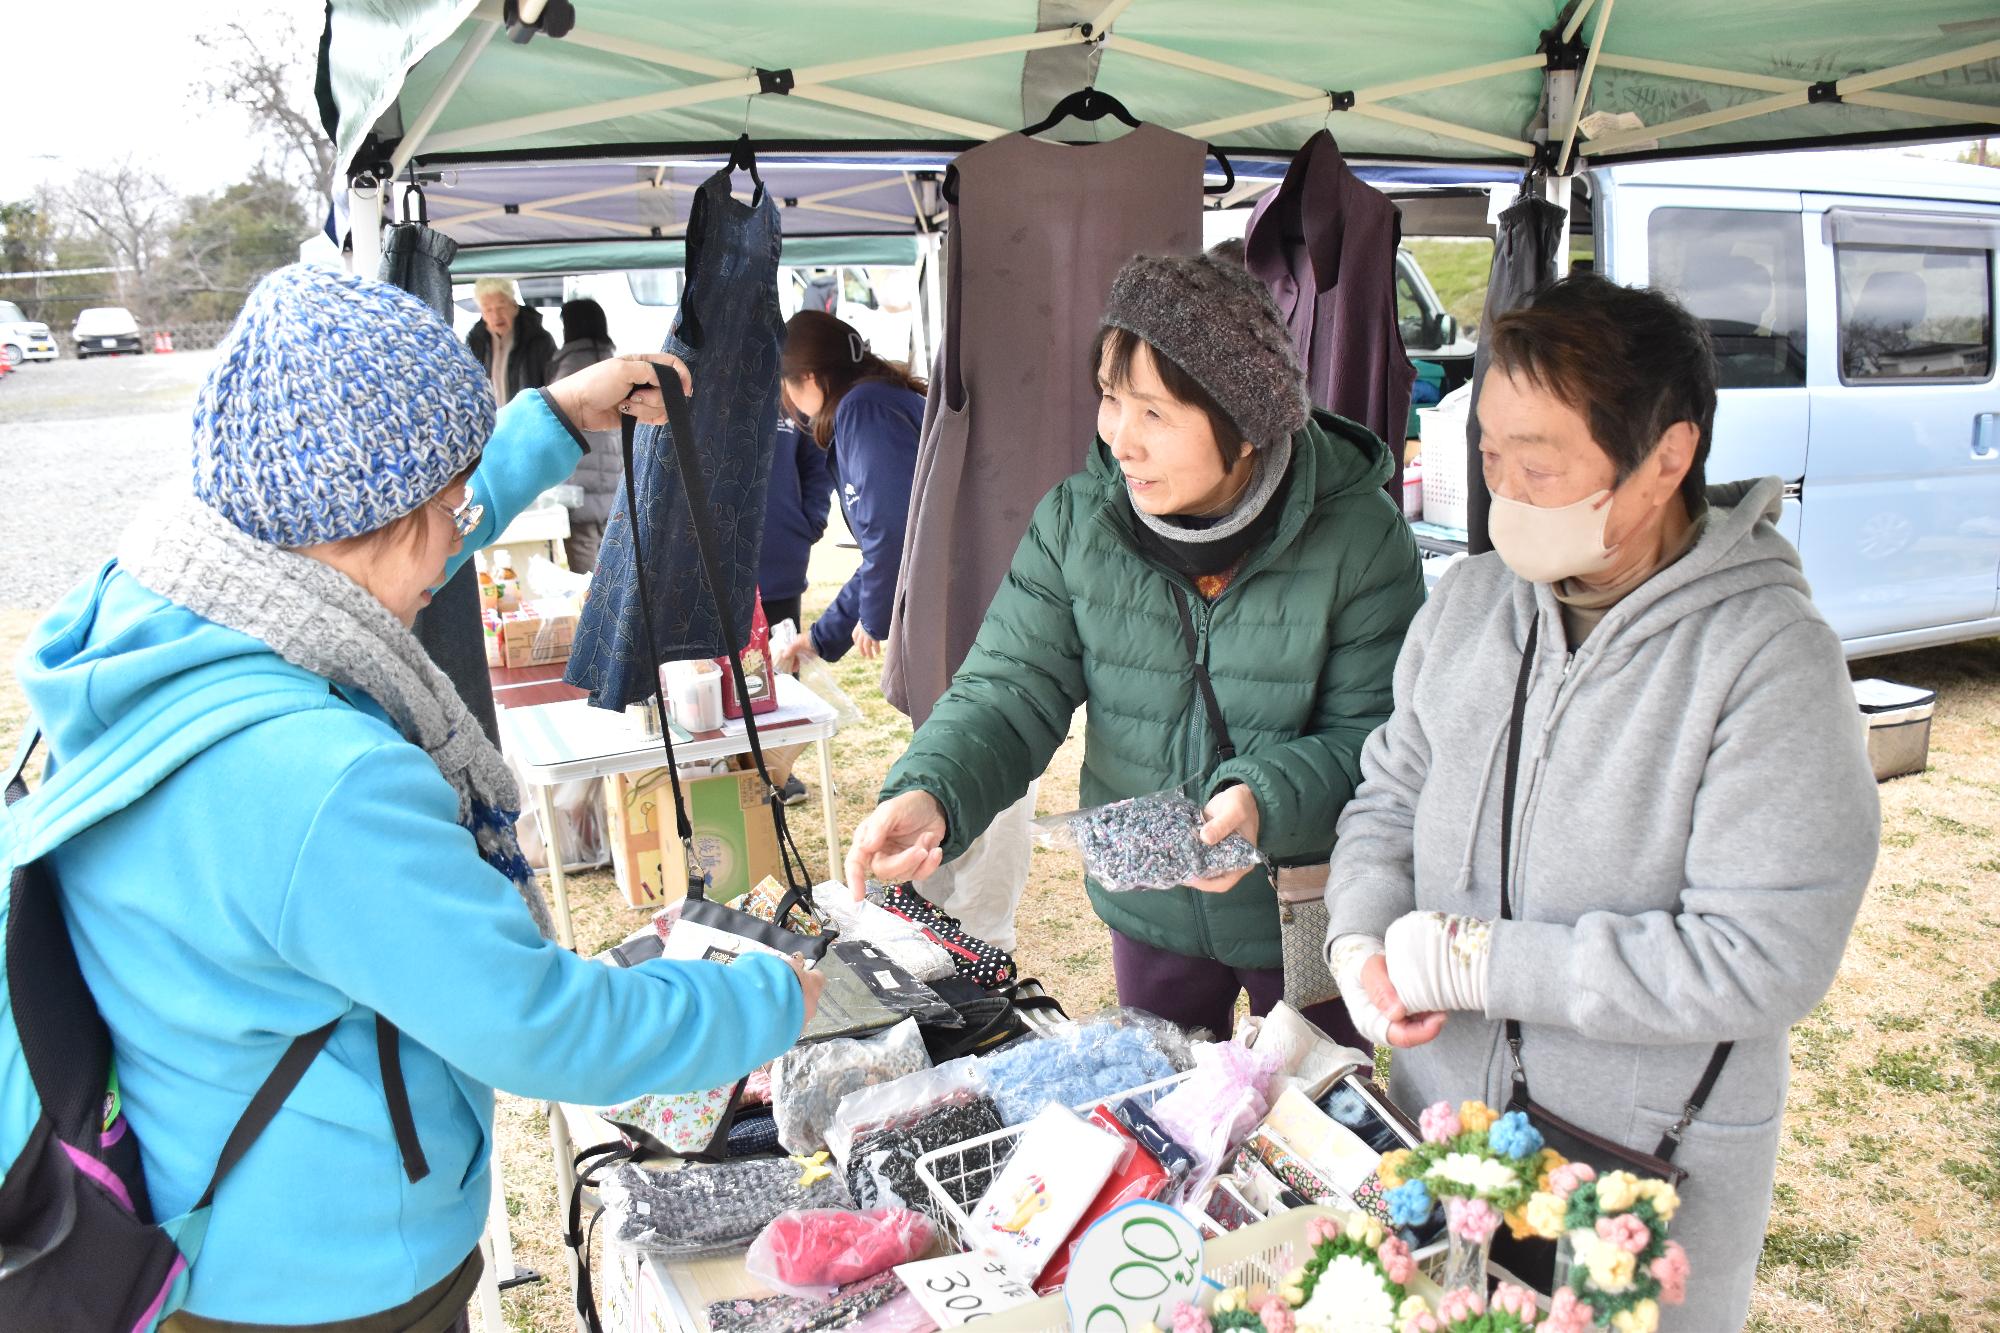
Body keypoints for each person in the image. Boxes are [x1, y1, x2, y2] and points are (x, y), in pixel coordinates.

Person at [10, 265, 822, 1330]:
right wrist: (772, 999)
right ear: (370, 518)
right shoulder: (320, 782)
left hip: (212, 1215)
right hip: (329, 1277)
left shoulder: (173, 603)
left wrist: (555, 417)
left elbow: (399, 548)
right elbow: (538, 1024)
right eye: (449, 505)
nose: (460, 533)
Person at [1325, 275, 1879, 1331]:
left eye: (1537, 464)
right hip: (1442, 1124)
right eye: (1488, 453)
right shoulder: (1470, 606)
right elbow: (1387, 797)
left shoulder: (1767, 661)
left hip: (1638, 1159)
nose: (1502, 489)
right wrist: (1359, 938)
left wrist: (1488, 962)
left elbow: (1761, 954)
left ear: (1666, 457)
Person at [844, 250, 1426, 1044]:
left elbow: (1379, 739)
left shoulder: (1359, 535)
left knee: (1311, 1102)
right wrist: (932, 790)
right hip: (1151, 908)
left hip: (1303, 899)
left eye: (1154, 412)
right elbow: (1009, 691)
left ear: (1247, 425)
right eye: (1111, 399)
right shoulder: (1079, 523)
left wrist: (1263, 801)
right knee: (1162, 1104)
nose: (1121, 438)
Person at [770, 309, 925, 673]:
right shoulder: (875, 400)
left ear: (809, 378)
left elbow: (891, 532)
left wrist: (873, 617)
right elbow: (883, 546)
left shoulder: (864, 409)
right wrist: (820, 638)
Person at [549, 297, 621, 571]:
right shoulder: (611, 361)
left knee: (585, 571)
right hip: (613, 483)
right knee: (612, 565)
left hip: (581, 487)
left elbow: (555, 420)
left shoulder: (571, 368)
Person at [464, 276, 555, 405]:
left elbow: (553, 387)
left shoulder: (539, 340)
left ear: (514, 306)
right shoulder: (474, 342)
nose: (496, 316)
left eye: (501, 307)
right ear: (482, 314)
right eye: (488, 309)